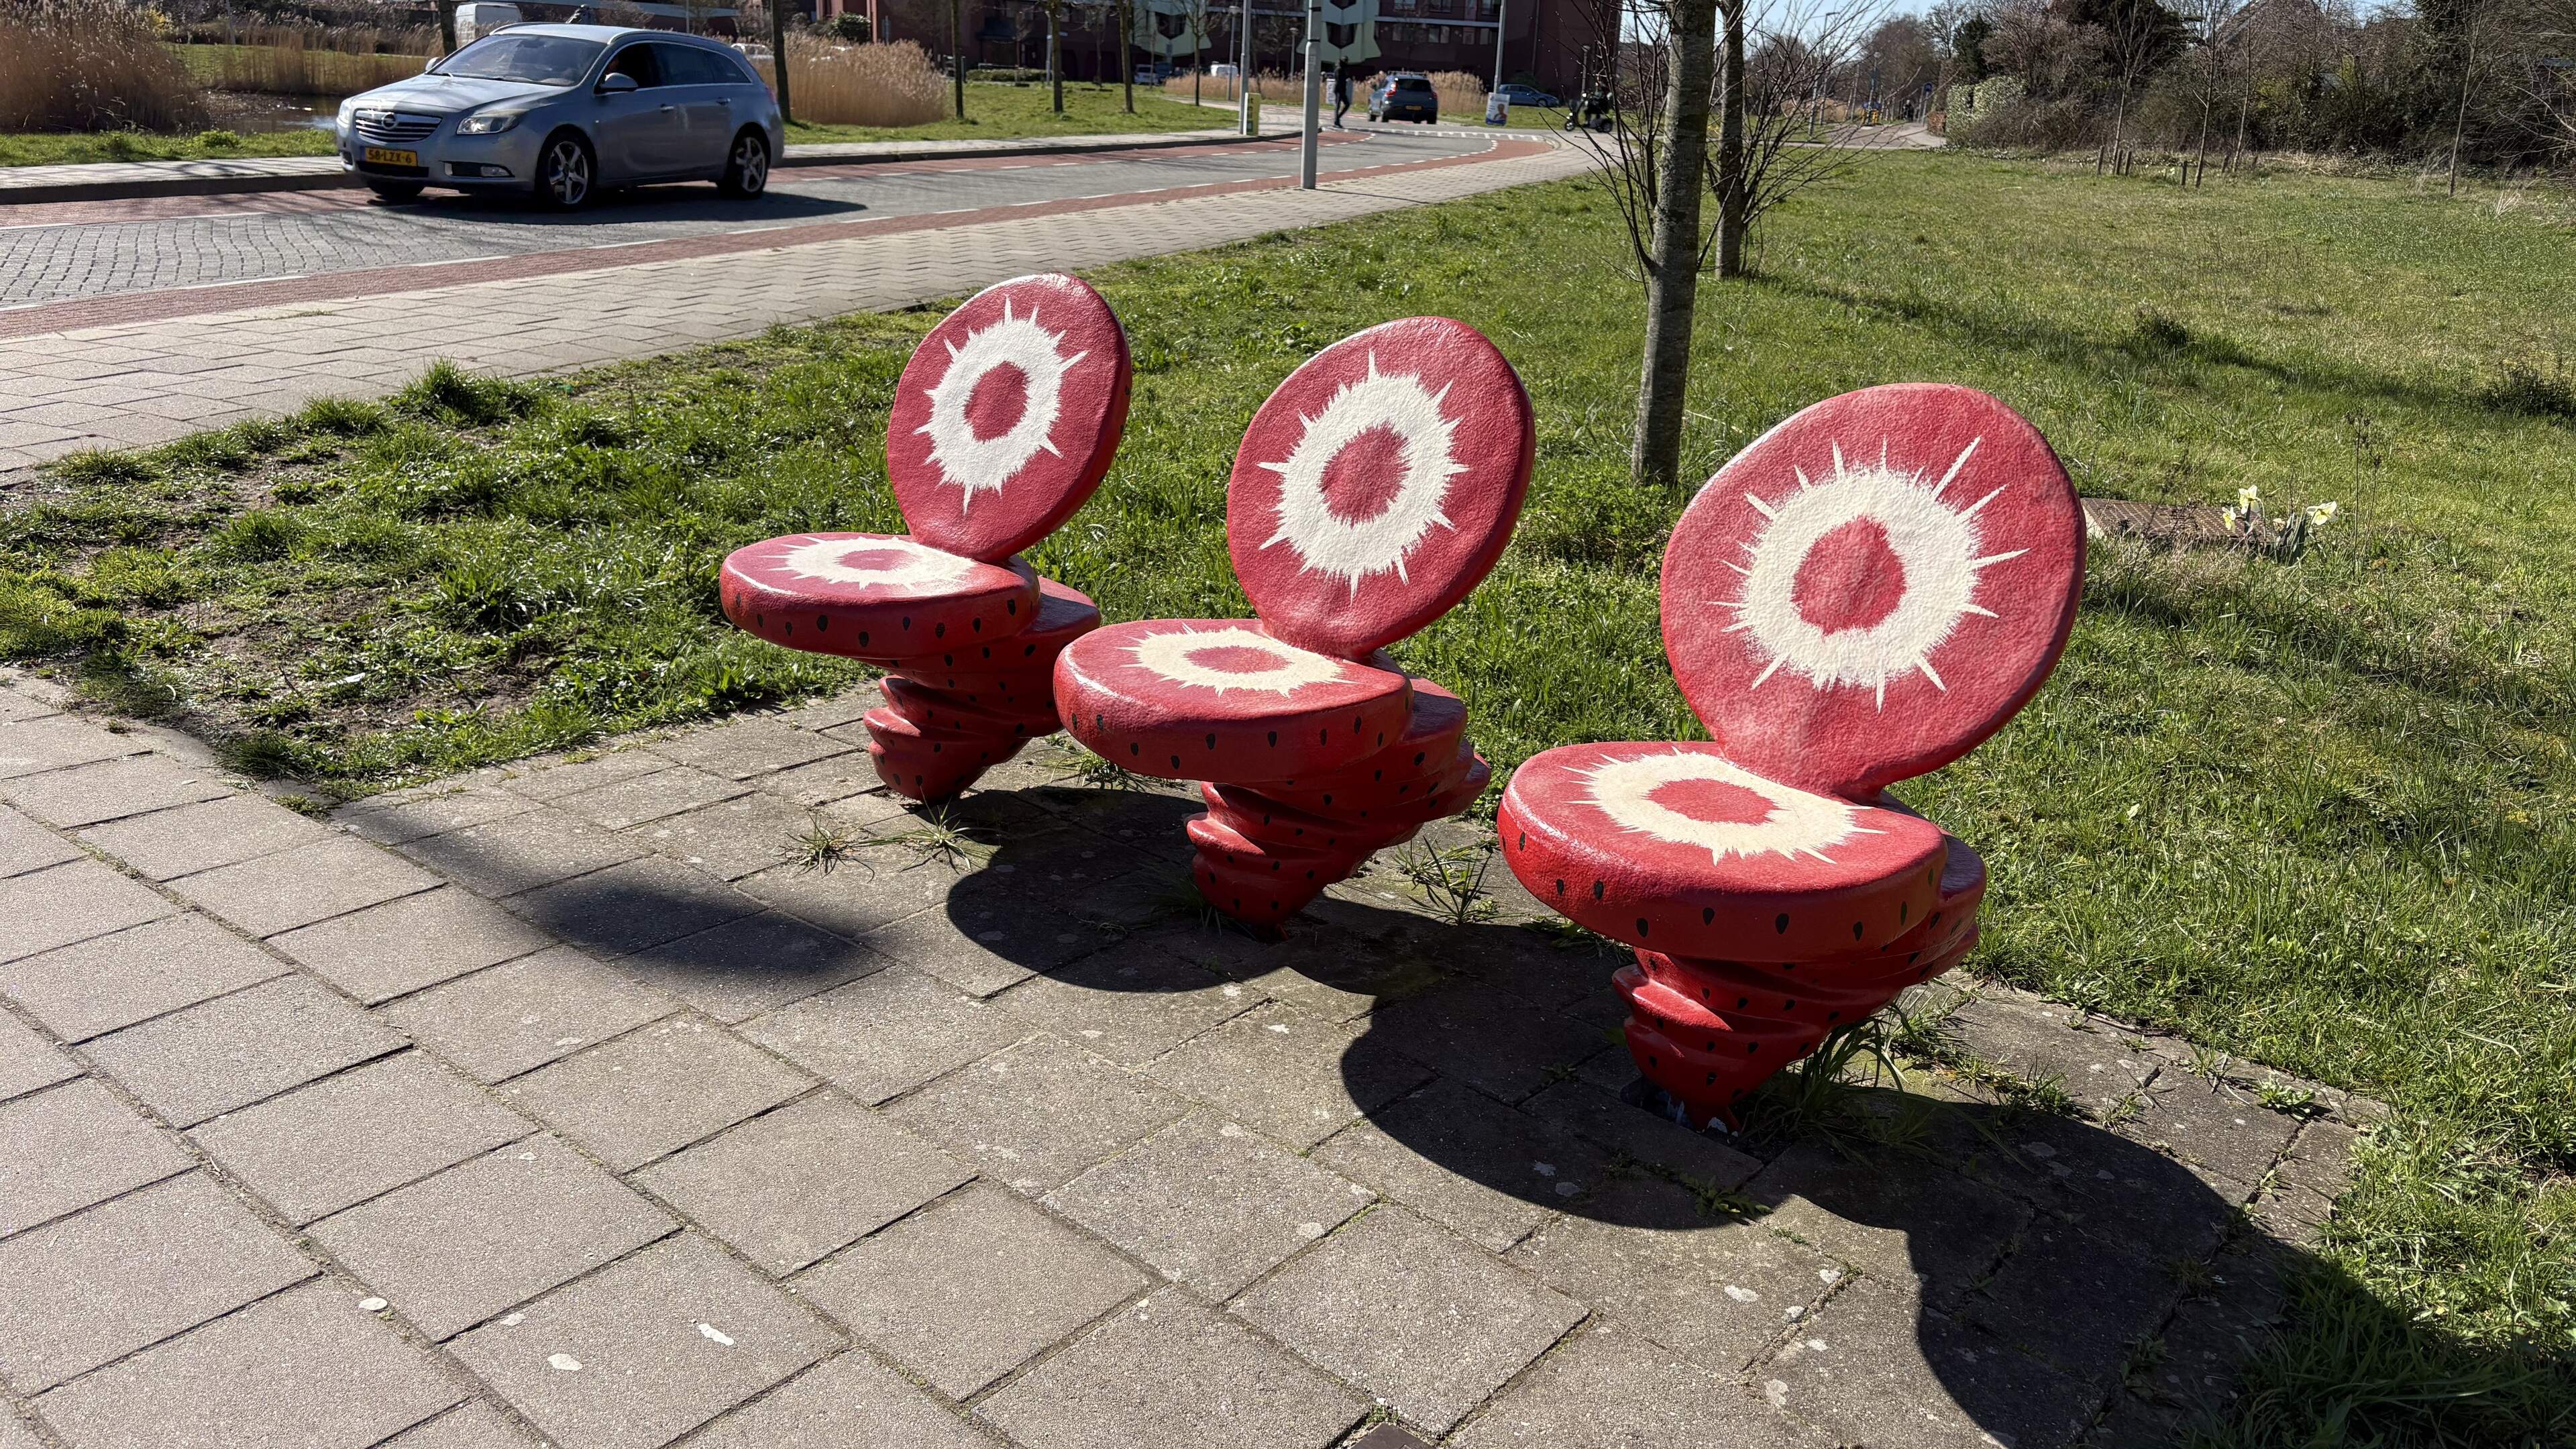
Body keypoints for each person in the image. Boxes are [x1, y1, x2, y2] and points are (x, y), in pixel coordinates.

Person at [1331, 63, 1351, 129]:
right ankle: (1336, 121)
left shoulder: (1343, 69)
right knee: (1338, 105)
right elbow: (1339, 80)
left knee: (1347, 104)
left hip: (1342, 90)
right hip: (1339, 90)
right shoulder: (1339, 70)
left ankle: (1338, 118)